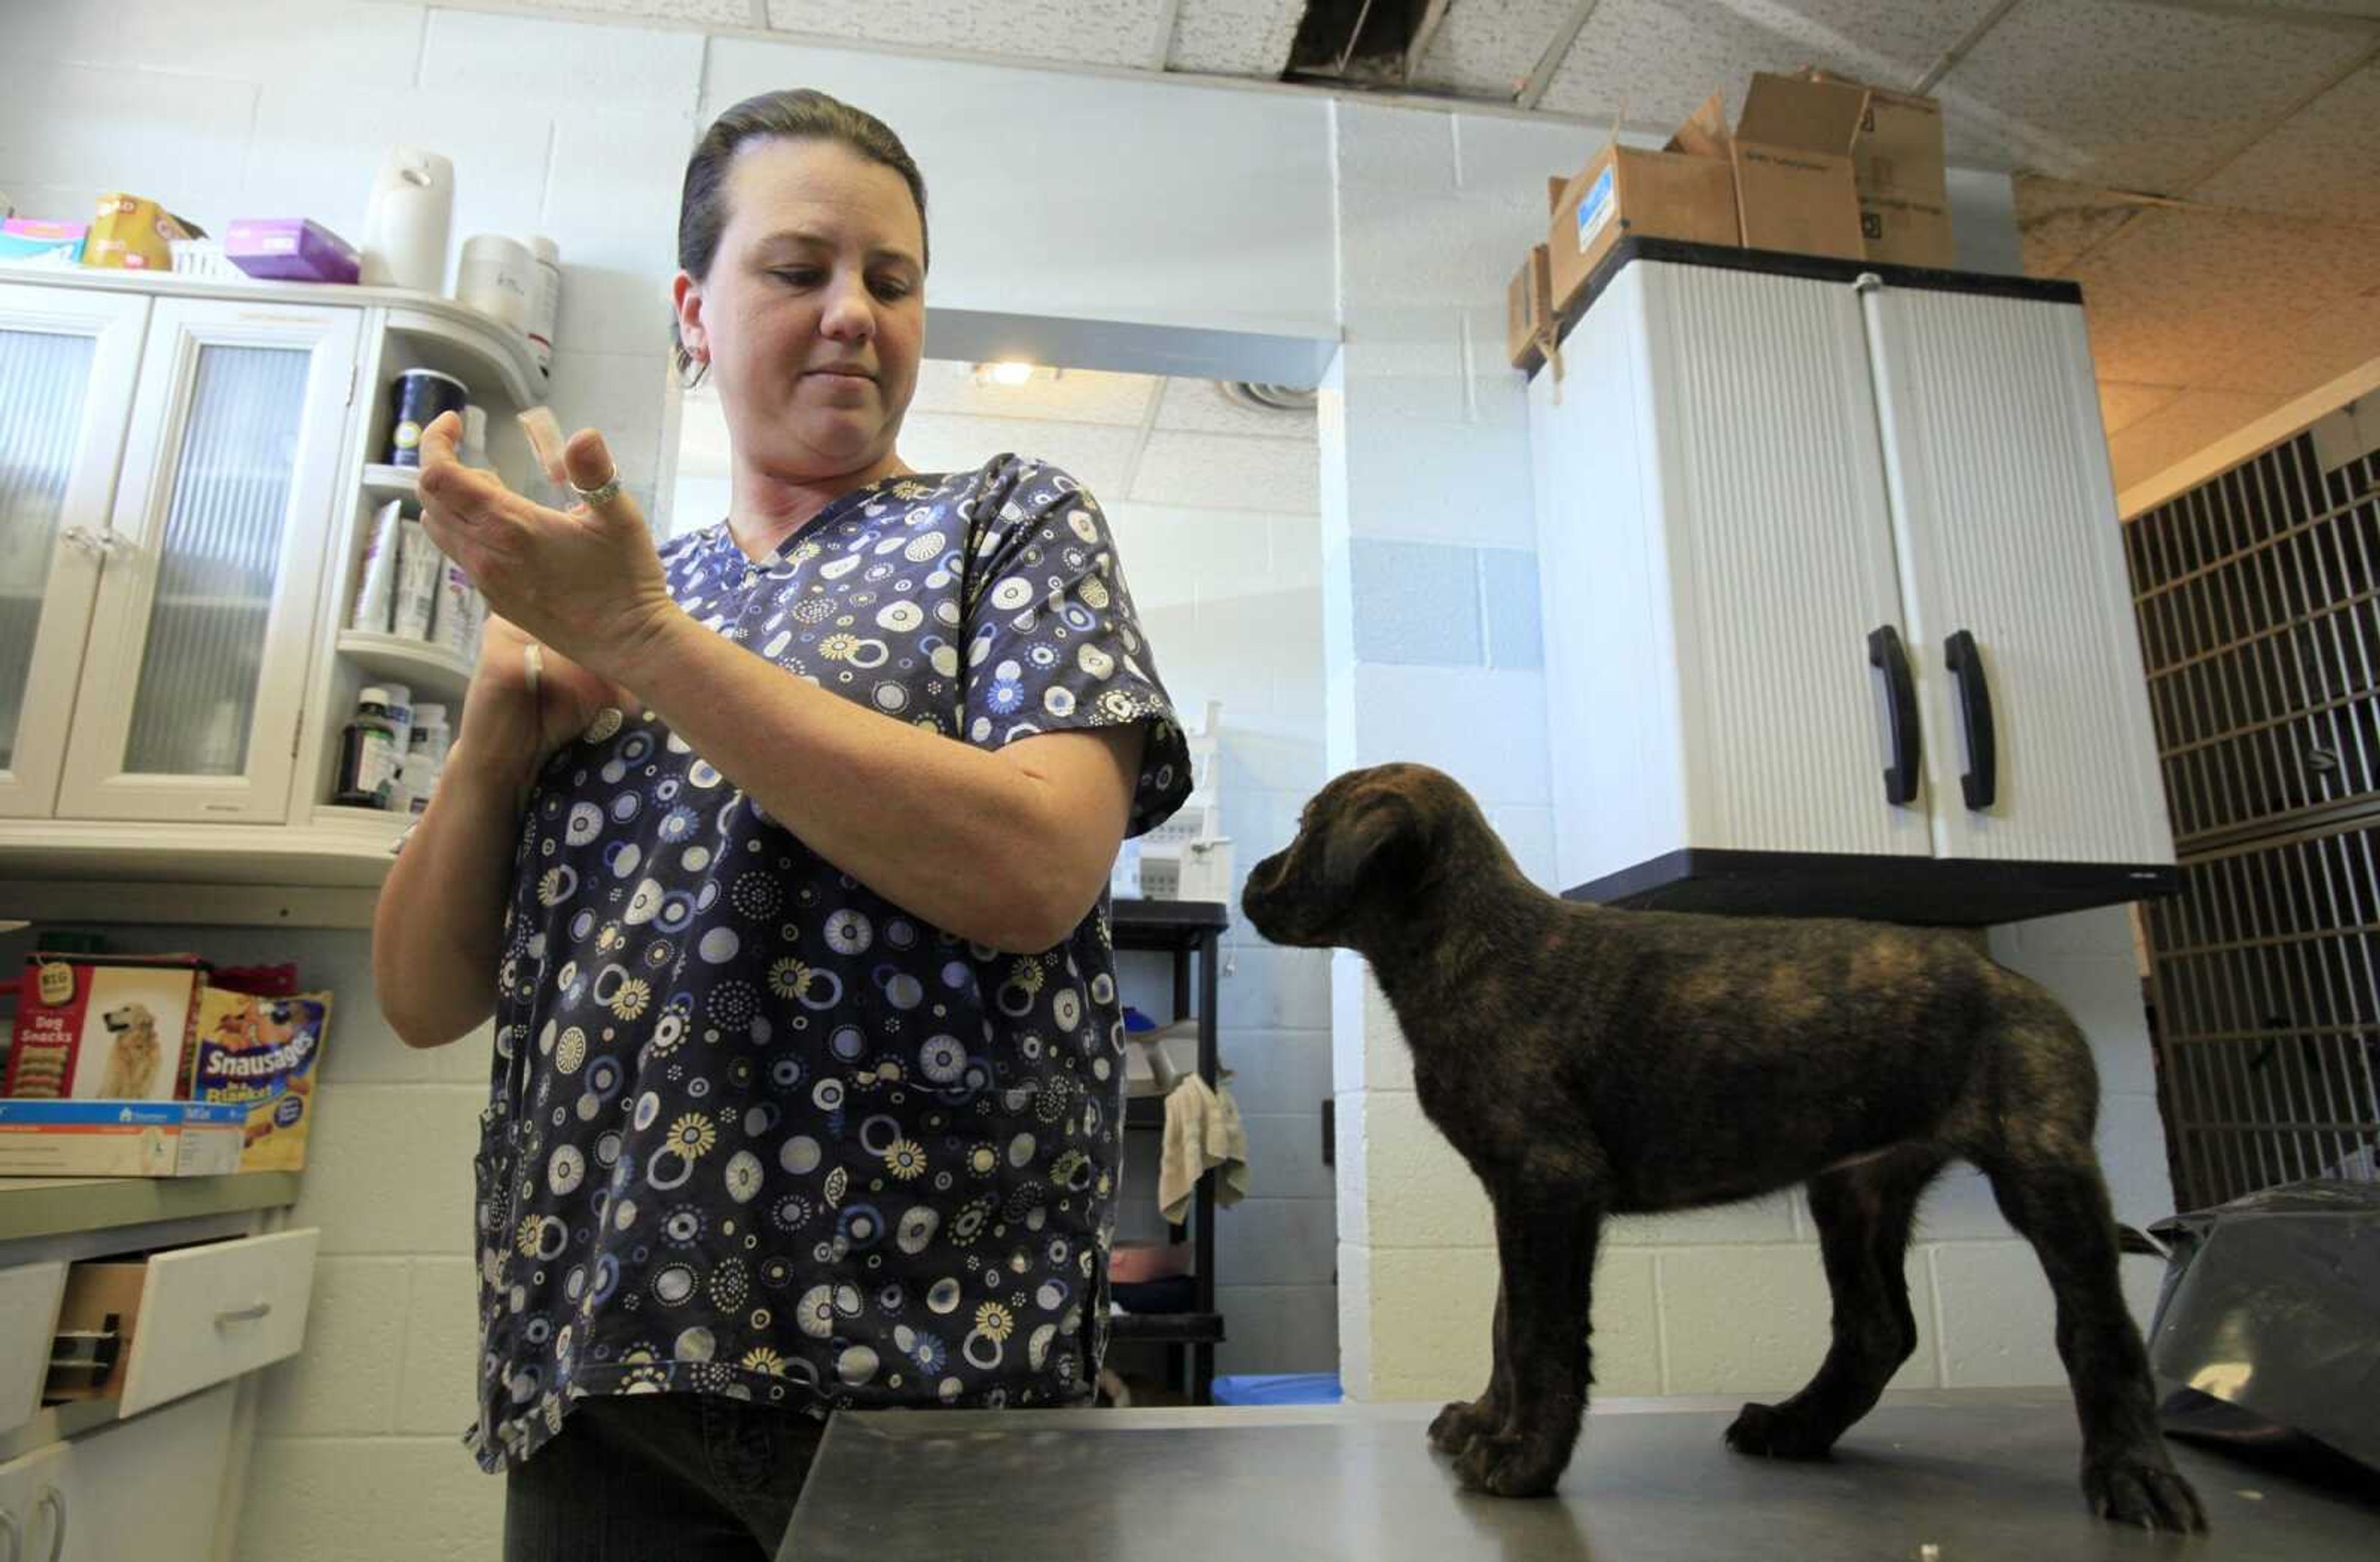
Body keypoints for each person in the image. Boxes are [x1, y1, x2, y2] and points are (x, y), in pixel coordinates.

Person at [372, 87, 1190, 1562]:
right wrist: (497, 739)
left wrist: (648, 641)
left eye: (892, 280)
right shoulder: (608, 590)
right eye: (798, 270)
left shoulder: (1004, 524)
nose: (853, 316)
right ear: (695, 310)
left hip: (935, 1374)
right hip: (602, 1380)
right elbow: (425, 1000)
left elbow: (1036, 869)